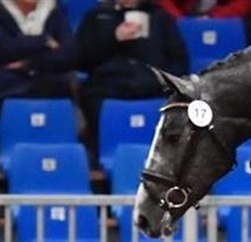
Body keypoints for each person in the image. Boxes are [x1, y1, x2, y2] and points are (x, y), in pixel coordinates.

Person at [75, 0, 190, 163]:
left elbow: (179, 62)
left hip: (152, 90)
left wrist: (154, 80)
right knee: (95, 107)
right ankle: (100, 166)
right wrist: (113, 38)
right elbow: (81, 60)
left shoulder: (160, 17)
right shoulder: (95, 16)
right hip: (107, 90)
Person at [0, 0, 78, 124]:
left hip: (51, 86)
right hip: (8, 87)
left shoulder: (55, 12)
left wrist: (29, 64)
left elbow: (68, 54)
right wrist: (44, 41)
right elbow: (0, 50)